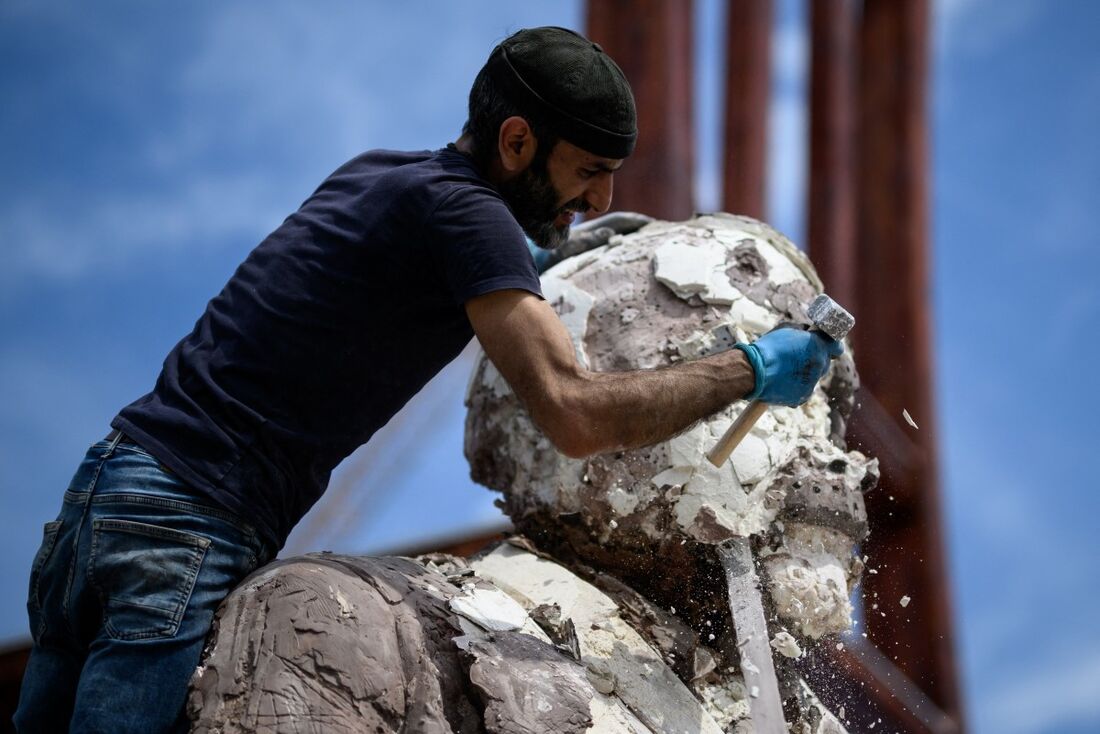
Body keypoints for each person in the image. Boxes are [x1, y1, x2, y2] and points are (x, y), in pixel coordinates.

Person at [14, 26, 841, 733]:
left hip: (108, 495)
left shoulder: (385, 173)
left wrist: (543, 254)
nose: (602, 196)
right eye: (589, 170)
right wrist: (750, 369)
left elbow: (400, 273)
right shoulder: (470, 219)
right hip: (189, 524)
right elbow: (576, 415)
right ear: (518, 141)